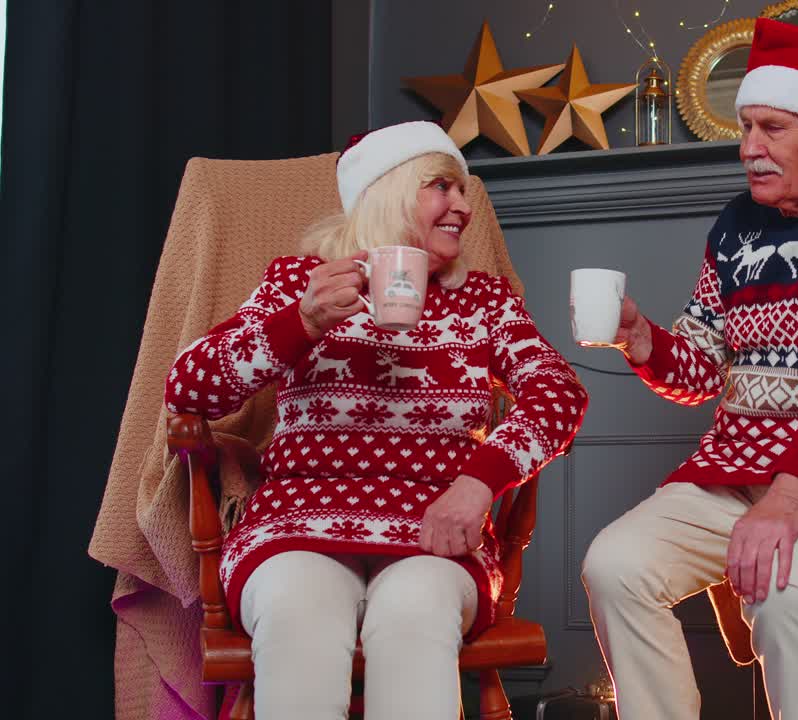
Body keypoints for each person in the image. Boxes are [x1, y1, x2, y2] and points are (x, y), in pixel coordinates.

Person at [165, 121, 588, 719]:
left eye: (463, 191)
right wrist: (301, 323)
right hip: (296, 525)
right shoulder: (296, 283)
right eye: (443, 187)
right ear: (389, 189)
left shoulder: (485, 301)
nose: (464, 207)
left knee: (415, 613)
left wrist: (476, 485)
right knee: (295, 608)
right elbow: (187, 387)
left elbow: (558, 394)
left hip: (433, 534)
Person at [581, 18, 798, 720]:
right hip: (738, 466)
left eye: (772, 128)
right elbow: (702, 365)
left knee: (786, 578)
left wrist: (789, 496)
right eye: (746, 127)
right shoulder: (736, 224)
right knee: (613, 565)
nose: (749, 150)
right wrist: (641, 340)